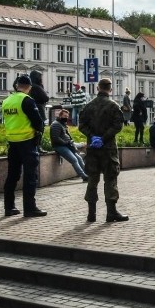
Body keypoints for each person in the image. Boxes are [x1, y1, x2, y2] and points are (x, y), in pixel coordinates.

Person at [79, 78, 128, 223]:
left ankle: (91, 214)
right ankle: (111, 213)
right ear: (110, 90)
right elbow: (118, 125)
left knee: (93, 179)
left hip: (93, 149)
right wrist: (104, 137)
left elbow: (81, 125)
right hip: (108, 149)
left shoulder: (88, 106)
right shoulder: (113, 106)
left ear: (97, 88)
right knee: (110, 179)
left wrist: (93, 137)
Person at [2, 75, 46, 217]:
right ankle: (30, 208)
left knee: (12, 176)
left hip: (12, 142)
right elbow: (37, 121)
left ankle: (9, 207)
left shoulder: (6, 101)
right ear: (29, 87)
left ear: (16, 86)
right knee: (30, 176)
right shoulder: (26, 100)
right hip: (27, 142)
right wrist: (39, 132)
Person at [50, 108, 88, 182]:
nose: (66, 118)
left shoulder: (62, 124)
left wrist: (70, 143)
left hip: (67, 145)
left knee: (79, 158)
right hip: (60, 146)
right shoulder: (56, 125)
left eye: (67, 116)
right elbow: (55, 138)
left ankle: (86, 174)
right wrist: (66, 143)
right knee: (74, 160)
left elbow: (66, 137)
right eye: (65, 116)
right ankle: (84, 177)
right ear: (60, 116)